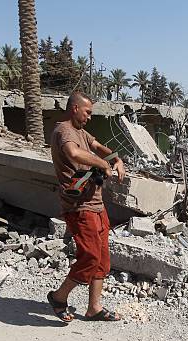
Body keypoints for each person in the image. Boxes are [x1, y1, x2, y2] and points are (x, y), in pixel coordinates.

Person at [47, 91, 125, 322]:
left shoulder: (80, 131)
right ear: (75, 109)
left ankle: (94, 308)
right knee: (90, 256)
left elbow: (98, 145)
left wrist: (116, 158)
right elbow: (74, 152)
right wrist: (103, 164)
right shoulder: (64, 131)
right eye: (88, 112)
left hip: (97, 204)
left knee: (102, 258)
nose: (90, 117)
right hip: (79, 206)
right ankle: (59, 297)